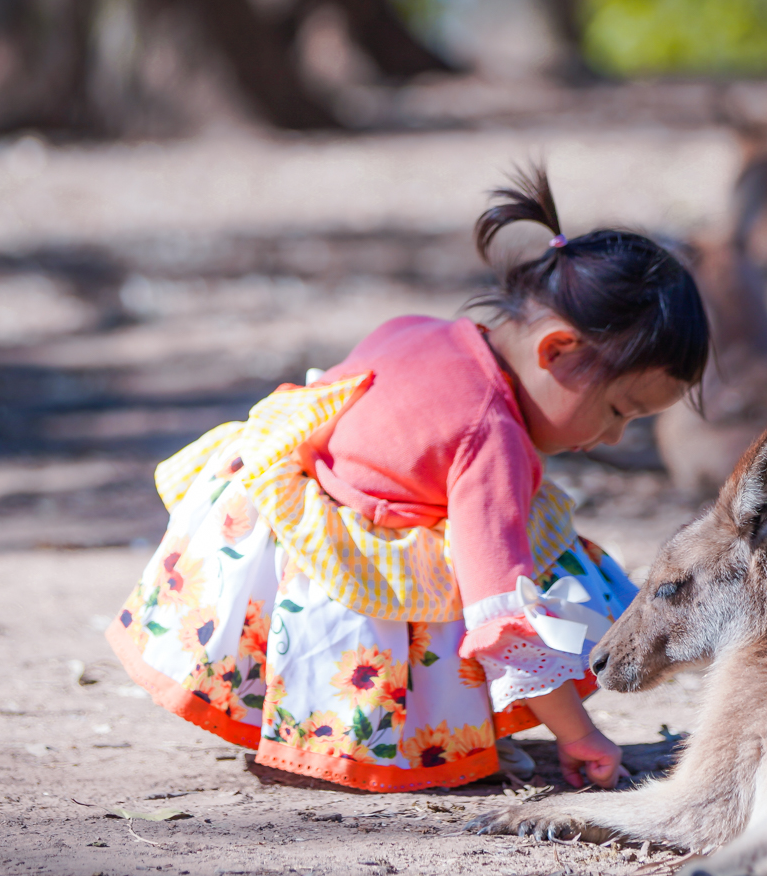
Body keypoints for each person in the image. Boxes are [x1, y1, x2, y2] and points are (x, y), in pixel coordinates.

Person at [105, 166, 710, 792]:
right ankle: (369, 741)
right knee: (513, 569)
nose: (611, 437)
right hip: (343, 587)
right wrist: (578, 733)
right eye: (618, 411)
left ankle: (308, 720)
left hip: (269, 531)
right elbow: (501, 609)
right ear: (556, 350)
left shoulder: (421, 330)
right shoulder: (489, 434)